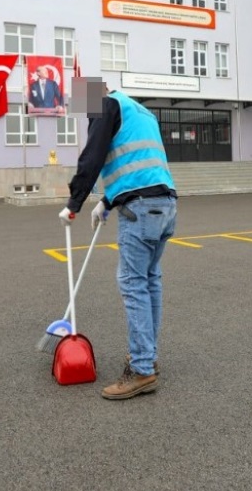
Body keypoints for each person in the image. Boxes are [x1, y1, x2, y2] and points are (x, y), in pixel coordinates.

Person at [59, 77, 177, 399]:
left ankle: (141, 370)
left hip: (139, 210)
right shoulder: (140, 110)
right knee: (149, 280)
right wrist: (107, 201)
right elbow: (137, 164)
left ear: (92, 98)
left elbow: (93, 156)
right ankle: (147, 357)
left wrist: (74, 203)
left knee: (133, 283)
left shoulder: (105, 105)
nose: (87, 118)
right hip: (165, 204)